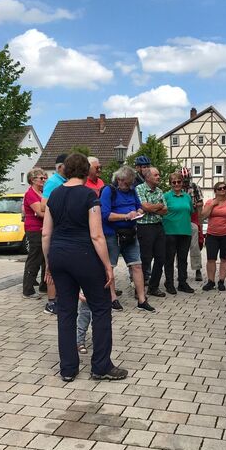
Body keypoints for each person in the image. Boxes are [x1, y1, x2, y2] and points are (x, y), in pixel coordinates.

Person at [42, 153, 128, 382]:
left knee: (66, 311)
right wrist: (108, 266)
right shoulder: (89, 195)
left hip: (59, 255)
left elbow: (45, 233)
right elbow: (97, 235)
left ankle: (68, 368)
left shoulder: (54, 195)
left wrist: (49, 263)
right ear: (85, 171)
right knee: (101, 308)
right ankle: (101, 366)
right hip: (84, 255)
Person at [100, 165, 155, 312]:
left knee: (137, 265)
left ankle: (142, 300)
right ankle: (112, 298)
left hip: (131, 233)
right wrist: (125, 216)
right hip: (112, 234)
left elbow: (140, 207)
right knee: (110, 266)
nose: (129, 186)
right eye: (127, 183)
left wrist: (138, 211)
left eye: (131, 183)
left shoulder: (132, 191)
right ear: (119, 179)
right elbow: (105, 215)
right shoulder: (108, 191)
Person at [200, 182, 226, 291]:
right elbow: (203, 216)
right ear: (215, 191)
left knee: (225, 258)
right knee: (211, 259)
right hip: (212, 235)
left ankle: (221, 281)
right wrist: (213, 204)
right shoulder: (209, 202)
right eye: (220, 188)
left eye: (225, 188)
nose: (223, 190)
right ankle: (211, 281)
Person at [40, 153, 68, 314]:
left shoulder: (63, 182)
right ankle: (51, 302)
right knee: (52, 265)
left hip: (61, 229)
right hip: (54, 229)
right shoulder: (53, 182)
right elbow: (44, 206)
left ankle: (59, 298)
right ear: (60, 167)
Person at [135, 167, 168, 298]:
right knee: (145, 259)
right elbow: (144, 206)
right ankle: (139, 290)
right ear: (147, 177)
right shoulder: (139, 189)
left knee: (161, 258)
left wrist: (151, 208)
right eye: (156, 175)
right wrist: (157, 206)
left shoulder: (159, 190)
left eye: (159, 174)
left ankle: (153, 287)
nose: (159, 177)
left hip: (158, 226)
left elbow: (165, 210)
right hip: (145, 227)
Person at [162, 172, 195, 294]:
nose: (176, 184)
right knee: (169, 259)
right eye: (173, 182)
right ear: (170, 184)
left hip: (185, 232)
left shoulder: (187, 197)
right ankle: (169, 283)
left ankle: (182, 282)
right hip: (169, 232)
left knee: (182, 259)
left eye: (179, 182)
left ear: (182, 183)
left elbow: (190, 211)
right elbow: (161, 212)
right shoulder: (166, 196)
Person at [23, 167, 47, 299]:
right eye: (41, 178)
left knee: (45, 258)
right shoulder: (30, 194)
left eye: (45, 177)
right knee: (34, 258)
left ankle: (44, 285)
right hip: (34, 229)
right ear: (32, 180)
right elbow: (39, 212)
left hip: (44, 228)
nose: (44, 180)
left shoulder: (42, 192)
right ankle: (28, 289)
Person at [181, 167, 204, 281]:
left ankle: (197, 269)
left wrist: (200, 222)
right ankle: (181, 270)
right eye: (183, 179)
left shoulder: (195, 187)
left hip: (192, 217)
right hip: (180, 218)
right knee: (179, 246)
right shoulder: (177, 188)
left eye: (186, 179)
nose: (184, 182)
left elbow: (200, 204)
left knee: (194, 246)